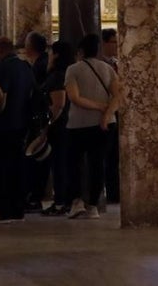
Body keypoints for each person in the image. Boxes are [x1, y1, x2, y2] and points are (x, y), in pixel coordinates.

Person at [65, 33, 123, 219]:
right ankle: (93, 206)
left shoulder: (73, 70)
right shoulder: (108, 69)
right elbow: (117, 96)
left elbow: (74, 98)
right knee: (97, 164)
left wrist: (98, 107)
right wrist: (106, 114)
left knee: (74, 164)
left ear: (80, 51)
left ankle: (77, 201)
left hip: (78, 124)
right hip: (104, 125)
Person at [0, 36, 35, 223]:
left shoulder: (4, 67)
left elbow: (0, 99)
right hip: (21, 124)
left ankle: (2, 208)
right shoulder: (25, 66)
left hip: (3, 125)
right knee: (17, 167)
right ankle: (17, 208)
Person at [40, 40, 73, 216]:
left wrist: (46, 127)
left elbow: (58, 104)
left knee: (59, 164)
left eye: (51, 52)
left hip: (59, 126)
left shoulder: (57, 76)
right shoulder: (65, 73)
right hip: (65, 125)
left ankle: (61, 202)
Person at [22, 31, 50, 212]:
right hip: (42, 119)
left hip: (40, 120)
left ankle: (34, 197)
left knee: (36, 159)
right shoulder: (43, 63)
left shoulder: (39, 66)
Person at [101, 28, 121, 205]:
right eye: (114, 42)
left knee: (117, 155)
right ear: (104, 43)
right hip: (106, 113)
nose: (117, 45)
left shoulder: (117, 63)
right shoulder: (101, 65)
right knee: (108, 156)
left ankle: (117, 192)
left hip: (119, 113)